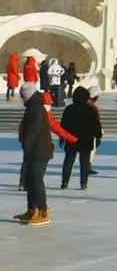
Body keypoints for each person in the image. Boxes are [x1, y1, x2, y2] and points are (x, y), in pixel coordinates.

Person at [17, 90, 77, 192]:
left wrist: (22, 138)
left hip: (27, 141)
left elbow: (22, 126)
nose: (50, 107)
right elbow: (57, 129)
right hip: (40, 144)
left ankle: (23, 183)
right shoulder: (45, 115)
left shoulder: (31, 111)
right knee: (39, 165)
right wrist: (73, 139)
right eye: (49, 104)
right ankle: (35, 184)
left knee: (27, 162)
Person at [15, 83, 54, 226]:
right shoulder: (33, 105)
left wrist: (27, 145)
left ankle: (43, 212)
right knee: (30, 180)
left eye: (22, 96)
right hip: (34, 149)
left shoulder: (36, 107)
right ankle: (31, 210)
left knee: (36, 180)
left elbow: (34, 130)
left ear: (27, 95)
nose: (22, 99)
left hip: (39, 150)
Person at [59, 86, 102, 190]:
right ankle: (83, 183)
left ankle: (65, 182)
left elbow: (63, 125)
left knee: (69, 161)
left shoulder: (69, 109)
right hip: (86, 140)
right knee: (84, 162)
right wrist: (98, 135)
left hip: (71, 139)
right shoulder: (90, 109)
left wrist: (62, 137)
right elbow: (96, 124)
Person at [86, 86, 103, 176]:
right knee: (91, 150)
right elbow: (95, 121)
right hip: (90, 132)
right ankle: (87, 167)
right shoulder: (92, 107)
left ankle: (87, 166)